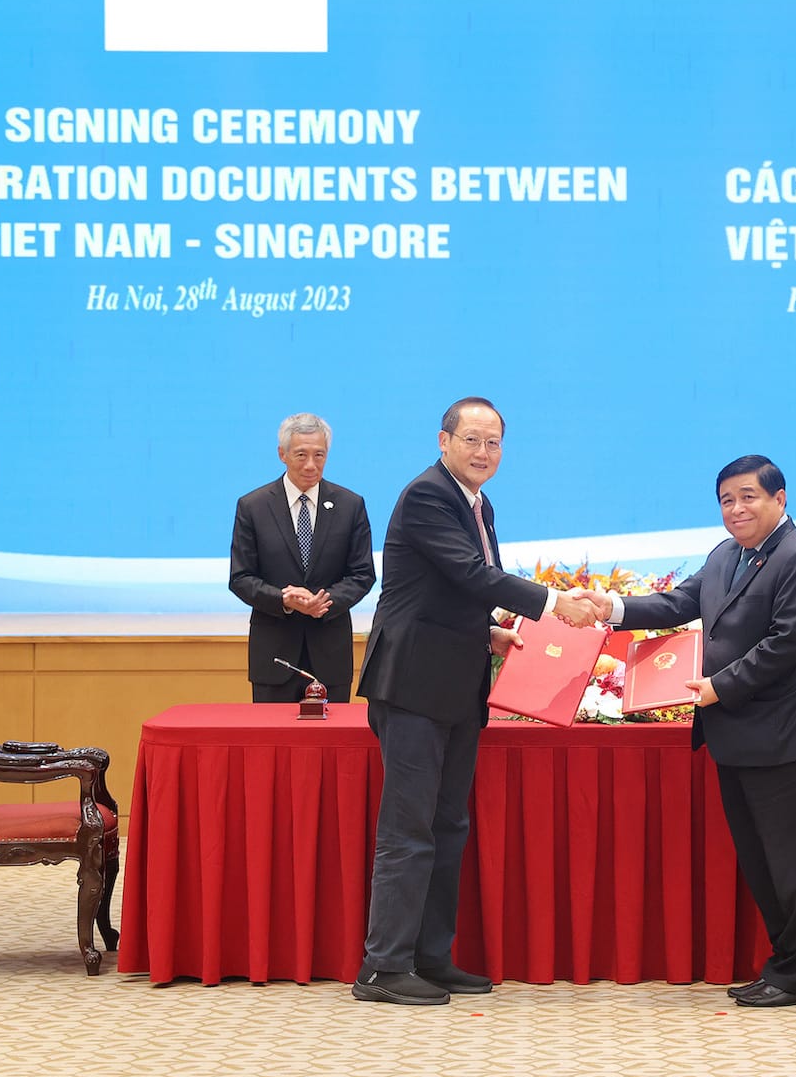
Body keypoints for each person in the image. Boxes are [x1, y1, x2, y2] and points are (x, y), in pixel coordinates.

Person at [352, 397, 600, 1006]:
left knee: (448, 826)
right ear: (443, 442)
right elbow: (469, 573)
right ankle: (382, 968)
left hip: (458, 681)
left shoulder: (479, 502)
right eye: (472, 440)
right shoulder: (429, 495)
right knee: (409, 830)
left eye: (494, 442)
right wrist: (552, 603)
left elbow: (444, 590)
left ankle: (430, 957)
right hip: (412, 685)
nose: (483, 452)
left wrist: (487, 631)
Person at [577, 455, 796, 1007]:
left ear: (780, 498)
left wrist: (719, 685)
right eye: (726, 500)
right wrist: (613, 606)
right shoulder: (727, 554)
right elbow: (680, 601)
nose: (736, 509)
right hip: (737, 736)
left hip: (787, 738)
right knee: (763, 861)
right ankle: (784, 966)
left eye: (748, 497)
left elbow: (787, 645)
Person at [229, 413, 377, 703]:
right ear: (282, 454)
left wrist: (322, 601)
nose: (311, 464)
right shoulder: (253, 506)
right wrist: (283, 599)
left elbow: (362, 574)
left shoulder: (350, 505)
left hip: (330, 655)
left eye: (319, 455)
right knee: (275, 745)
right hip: (273, 656)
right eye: (301, 455)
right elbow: (241, 577)